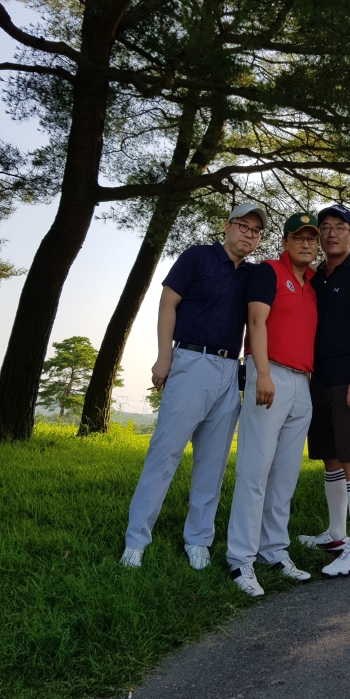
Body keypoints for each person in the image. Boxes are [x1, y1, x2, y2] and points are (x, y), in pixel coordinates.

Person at [120, 203, 268, 570]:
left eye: (256, 231)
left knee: (212, 464)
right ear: (227, 227)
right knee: (164, 454)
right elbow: (167, 304)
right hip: (190, 361)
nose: (249, 234)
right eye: (243, 225)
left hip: (229, 370)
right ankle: (136, 541)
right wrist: (163, 357)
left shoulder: (253, 275)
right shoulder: (197, 257)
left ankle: (198, 539)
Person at [226, 213, 320, 596]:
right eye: (299, 237)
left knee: (284, 476)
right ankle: (240, 560)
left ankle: (274, 551)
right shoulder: (268, 271)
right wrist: (261, 373)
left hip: (302, 382)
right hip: (271, 375)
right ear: (285, 242)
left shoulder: (312, 283)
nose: (306, 244)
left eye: (312, 239)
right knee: (255, 471)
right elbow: (256, 322)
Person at [298, 204, 350, 577]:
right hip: (319, 380)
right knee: (330, 457)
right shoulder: (314, 278)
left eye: (339, 227)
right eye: (325, 227)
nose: (331, 233)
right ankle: (336, 534)